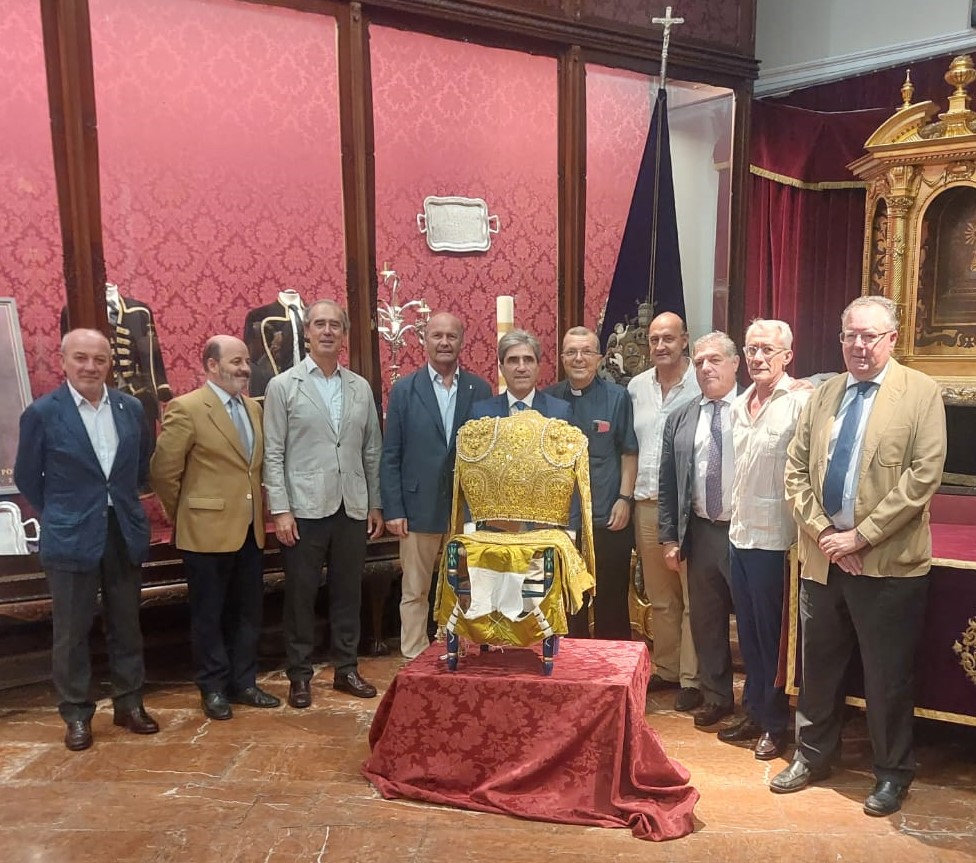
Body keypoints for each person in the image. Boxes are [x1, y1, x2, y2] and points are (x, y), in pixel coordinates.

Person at [771, 296, 946, 817]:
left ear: (892, 339)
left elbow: (922, 478)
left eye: (870, 336)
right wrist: (828, 534)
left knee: (886, 677)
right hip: (823, 560)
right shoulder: (824, 394)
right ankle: (812, 756)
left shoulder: (921, 393)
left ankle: (892, 772)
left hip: (889, 566)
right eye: (851, 335)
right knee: (818, 669)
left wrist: (860, 537)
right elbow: (795, 470)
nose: (859, 345)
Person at [14, 328, 158, 750]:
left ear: (110, 362)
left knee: (127, 625)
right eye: (81, 358)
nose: (90, 367)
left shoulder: (131, 408)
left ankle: (130, 703)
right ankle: (76, 712)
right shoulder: (43, 413)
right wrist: (65, 510)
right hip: (71, 534)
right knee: (72, 631)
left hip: (122, 530)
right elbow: (27, 477)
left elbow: (139, 466)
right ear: (63, 361)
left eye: (99, 359)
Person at [150, 335, 280, 720]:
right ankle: (213, 688)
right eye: (236, 361)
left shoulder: (253, 408)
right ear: (211, 365)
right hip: (204, 532)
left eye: (246, 362)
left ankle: (244, 683)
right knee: (209, 615)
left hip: (250, 530)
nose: (244, 369)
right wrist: (186, 513)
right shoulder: (187, 408)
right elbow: (163, 471)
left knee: (247, 613)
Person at [263, 299, 384, 706]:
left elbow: (371, 450)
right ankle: (300, 675)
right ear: (307, 332)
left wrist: (375, 504)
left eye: (335, 325)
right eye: (320, 324)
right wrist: (281, 509)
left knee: (348, 592)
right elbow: (273, 452)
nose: (328, 331)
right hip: (303, 509)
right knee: (300, 596)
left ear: (344, 334)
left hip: (352, 506)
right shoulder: (283, 386)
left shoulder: (359, 387)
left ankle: (346, 668)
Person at [718, 319, 810, 760]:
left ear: (787, 356)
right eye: (751, 349)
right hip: (740, 534)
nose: (757, 357)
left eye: (767, 350)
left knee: (774, 638)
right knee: (749, 634)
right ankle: (753, 711)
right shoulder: (739, 404)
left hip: (776, 540)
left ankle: (776, 723)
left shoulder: (800, 402)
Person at [380, 313, 491, 659]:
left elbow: (488, 453)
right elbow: (391, 454)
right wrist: (394, 509)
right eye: (437, 335)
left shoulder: (480, 390)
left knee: (466, 584)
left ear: (462, 342)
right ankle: (414, 654)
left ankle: (461, 649)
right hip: (417, 507)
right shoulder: (404, 390)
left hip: (465, 507)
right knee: (415, 588)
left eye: (451, 336)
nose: (444, 342)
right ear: (424, 341)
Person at [658, 331, 741, 729]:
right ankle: (716, 696)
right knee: (706, 622)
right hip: (702, 531)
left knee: (754, 624)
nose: (706, 368)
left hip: (745, 534)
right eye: (700, 361)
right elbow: (668, 483)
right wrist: (669, 537)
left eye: (715, 360)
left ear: (735, 364)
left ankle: (760, 704)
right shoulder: (682, 416)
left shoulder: (753, 408)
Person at [628, 312, 702, 711]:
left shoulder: (701, 382)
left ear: (684, 340)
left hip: (689, 508)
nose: (660, 346)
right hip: (647, 505)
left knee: (692, 597)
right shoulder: (637, 387)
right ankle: (669, 668)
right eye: (654, 339)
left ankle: (692, 679)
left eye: (668, 338)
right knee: (660, 597)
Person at [545, 326, 637, 639]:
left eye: (586, 352)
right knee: (570, 604)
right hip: (563, 521)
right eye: (571, 352)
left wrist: (625, 499)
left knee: (612, 601)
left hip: (607, 515)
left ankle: (615, 666)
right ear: (562, 358)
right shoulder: (549, 400)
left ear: (599, 358)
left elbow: (628, 452)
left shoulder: (617, 397)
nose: (579, 358)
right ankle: (572, 666)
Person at [471, 330, 570, 420]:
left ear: (538, 367)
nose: (521, 368)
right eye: (513, 360)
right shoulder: (481, 413)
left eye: (528, 360)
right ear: (502, 369)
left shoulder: (560, 412)